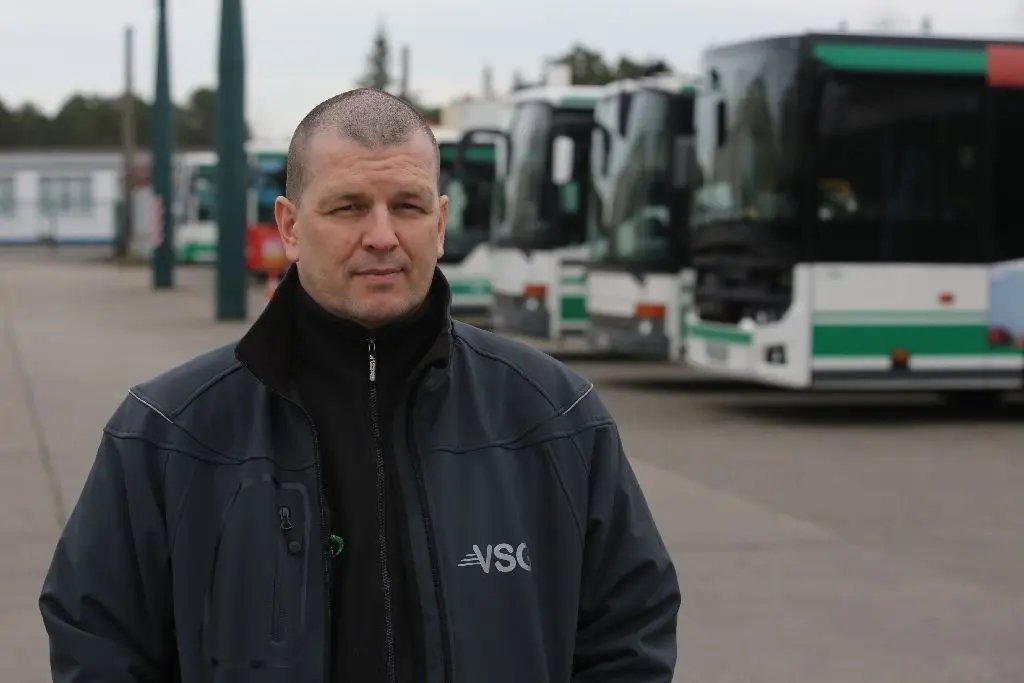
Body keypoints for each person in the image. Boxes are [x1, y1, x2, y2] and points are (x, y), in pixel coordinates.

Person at [39, 88, 680, 683]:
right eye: (348, 208)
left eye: (408, 205)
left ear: (441, 221)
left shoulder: (555, 416)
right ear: (289, 227)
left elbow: (630, 630)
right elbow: (98, 641)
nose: (381, 236)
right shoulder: (167, 430)